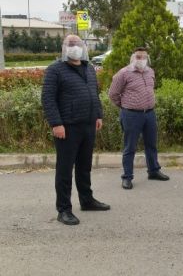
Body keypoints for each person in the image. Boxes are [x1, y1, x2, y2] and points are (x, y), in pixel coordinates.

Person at [41, 35, 110, 225]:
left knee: (84, 166)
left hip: (88, 124)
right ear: (63, 47)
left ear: (83, 47)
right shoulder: (55, 69)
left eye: (77, 44)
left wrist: (98, 115)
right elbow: (48, 98)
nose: (74, 47)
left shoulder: (88, 67)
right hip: (67, 127)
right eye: (70, 44)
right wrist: (56, 123)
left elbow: (94, 93)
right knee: (64, 169)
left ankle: (87, 200)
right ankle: (63, 209)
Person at [108, 47, 169, 190]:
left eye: (144, 57)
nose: (141, 60)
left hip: (149, 114)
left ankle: (153, 171)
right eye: (138, 57)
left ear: (147, 58)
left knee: (151, 144)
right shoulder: (123, 73)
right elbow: (113, 94)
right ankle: (127, 177)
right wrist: (124, 107)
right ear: (133, 58)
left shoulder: (150, 72)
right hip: (131, 115)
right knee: (130, 147)